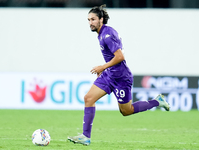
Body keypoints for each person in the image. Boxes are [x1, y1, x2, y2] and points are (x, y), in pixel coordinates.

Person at [68, 4, 170, 146]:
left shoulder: (107, 34)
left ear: (101, 19)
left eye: (93, 19)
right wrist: (104, 70)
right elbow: (113, 56)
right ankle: (85, 136)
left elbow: (120, 56)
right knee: (88, 98)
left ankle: (157, 101)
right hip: (110, 74)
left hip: (122, 78)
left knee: (126, 111)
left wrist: (102, 66)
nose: (90, 23)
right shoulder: (102, 33)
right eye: (88, 20)